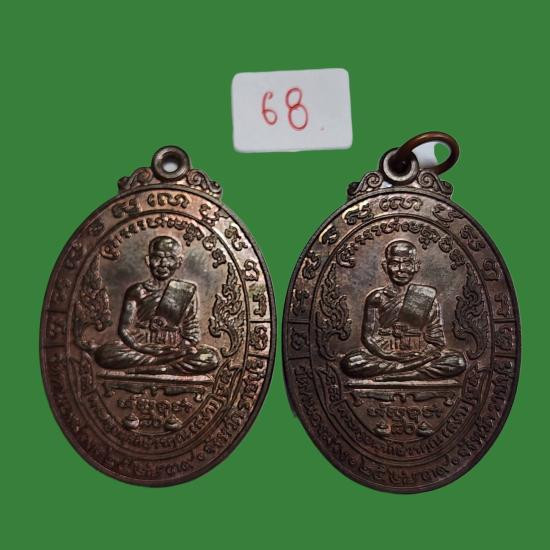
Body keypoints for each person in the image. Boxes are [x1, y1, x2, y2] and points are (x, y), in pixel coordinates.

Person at [341, 240, 466, 381]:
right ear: (385, 266)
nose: (401, 269)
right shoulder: (377, 298)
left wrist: (423, 355)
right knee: (351, 363)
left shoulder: (427, 297)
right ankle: (409, 372)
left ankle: (401, 374)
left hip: (419, 355)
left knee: (457, 362)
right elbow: (368, 338)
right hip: (384, 355)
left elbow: (437, 341)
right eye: (395, 264)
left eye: (407, 264)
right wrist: (387, 355)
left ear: (416, 266)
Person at [95, 236, 220, 374]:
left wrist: (182, 346)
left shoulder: (186, 290)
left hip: (174, 348)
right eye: (157, 258)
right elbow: (125, 330)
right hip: (141, 346)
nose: (163, 264)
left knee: (210, 358)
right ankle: (162, 364)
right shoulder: (137, 291)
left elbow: (192, 329)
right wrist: (142, 347)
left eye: (170, 258)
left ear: (179, 262)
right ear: (148, 260)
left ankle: (161, 367)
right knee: (105, 354)